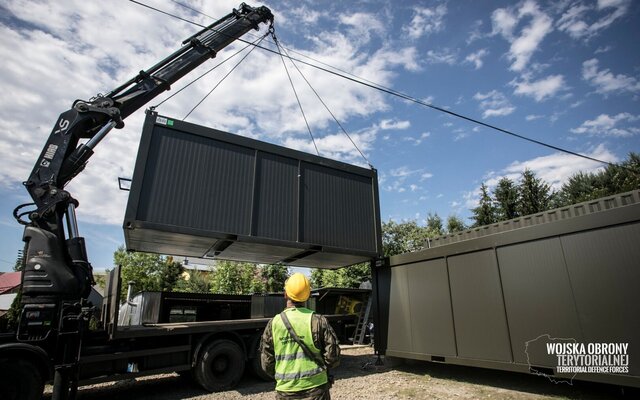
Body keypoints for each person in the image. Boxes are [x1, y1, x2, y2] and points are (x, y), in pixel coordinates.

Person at [260, 273, 341, 400]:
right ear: (307, 296)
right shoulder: (318, 321)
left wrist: (285, 378)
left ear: (285, 294)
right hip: (317, 389)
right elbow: (333, 357)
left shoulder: (274, 323)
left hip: (285, 391)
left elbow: (266, 363)